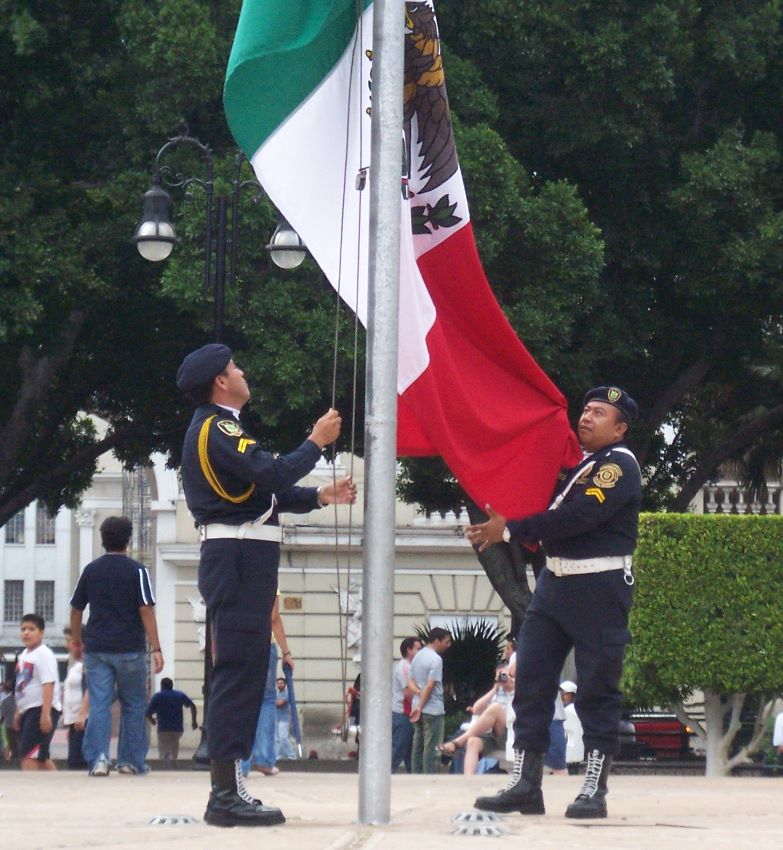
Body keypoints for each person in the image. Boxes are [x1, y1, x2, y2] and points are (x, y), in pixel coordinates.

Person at [177, 342, 356, 827]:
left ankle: (230, 788)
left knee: (243, 672)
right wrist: (315, 441)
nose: (242, 372)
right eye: (235, 367)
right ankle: (226, 794)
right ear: (219, 380)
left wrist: (319, 496)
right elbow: (270, 473)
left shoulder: (215, 429)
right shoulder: (219, 428)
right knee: (237, 674)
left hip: (240, 556)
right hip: (237, 558)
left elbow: (259, 494)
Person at [467, 385, 642, 819]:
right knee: (531, 684)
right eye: (585, 410)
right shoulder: (585, 465)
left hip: (598, 586)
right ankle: (526, 783)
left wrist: (511, 530)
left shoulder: (617, 467)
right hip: (555, 584)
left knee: (597, 690)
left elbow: (577, 517)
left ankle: (593, 789)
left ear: (620, 429)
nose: (586, 417)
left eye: (599, 413)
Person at [70, 515, 164, 777]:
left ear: (102, 540)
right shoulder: (138, 571)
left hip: (97, 647)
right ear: (128, 539)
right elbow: (145, 609)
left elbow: (77, 608)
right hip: (130, 647)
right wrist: (156, 648)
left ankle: (99, 759)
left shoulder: (91, 570)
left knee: (99, 703)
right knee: (133, 703)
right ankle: (130, 761)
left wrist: (77, 640)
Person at [242, 595, 294, 777]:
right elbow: (273, 617)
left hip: (238, 641)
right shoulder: (267, 573)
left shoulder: (234, 572)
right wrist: (286, 652)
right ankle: (264, 760)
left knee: (241, 700)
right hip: (263, 643)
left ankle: (241, 763)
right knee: (266, 700)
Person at [439, 663, 514, 775]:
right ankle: (469, 780)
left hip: (510, 734)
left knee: (496, 708)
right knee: (472, 742)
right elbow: (476, 709)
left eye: (505, 674)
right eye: (499, 675)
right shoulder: (497, 692)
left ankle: (458, 742)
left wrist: (511, 684)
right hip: (493, 736)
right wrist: (495, 688)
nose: (502, 678)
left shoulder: (519, 689)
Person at [13, 614, 62, 770]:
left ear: (41, 632)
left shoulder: (44, 654)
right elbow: (22, 686)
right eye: (23, 629)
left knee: (29, 756)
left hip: (40, 709)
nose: (26, 633)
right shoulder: (24, 655)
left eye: (31, 629)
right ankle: (62, 788)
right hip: (28, 710)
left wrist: (45, 713)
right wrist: (18, 711)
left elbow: (48, 683)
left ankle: (30, 789)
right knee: (41, 757)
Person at [409, 627, 452, 773]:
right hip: (432, 709)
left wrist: (418, 699)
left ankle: (416, 775)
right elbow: (431, 685)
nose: (448, 645)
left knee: (418, 745)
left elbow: (410, 681)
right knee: (432, 747)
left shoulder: (417, 656)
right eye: (446, 641)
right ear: (436, 641)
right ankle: (429, 777)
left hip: (416, 706)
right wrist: (421, 705)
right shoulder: (436, 659)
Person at [146, 678, 198, 760]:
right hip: (177, 729)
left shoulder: (158, 696)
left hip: (163, 728)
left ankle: (165, 766)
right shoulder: (179, 695)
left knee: (163, 751)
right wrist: (194, 721)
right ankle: (173, 763)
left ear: (161, 686)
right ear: (172, 685)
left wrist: (152, 721)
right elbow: (192, 706)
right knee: (174, 750)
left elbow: (148, 713)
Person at [391, 636, 421, 773]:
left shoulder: (406, 667)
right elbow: (408, 693)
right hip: (404, 713)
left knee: (408, 750)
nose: (420, 652)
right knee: (399, 748)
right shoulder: (405, 667)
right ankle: (385, 774)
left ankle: (413, 775)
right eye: (418, 649)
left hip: (405, 712)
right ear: (409, 650)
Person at [62, 634, 89, 769]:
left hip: (84, 718)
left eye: (69, 641)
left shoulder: (89, 663)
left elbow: (90, 689)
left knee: (78, 761)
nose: (67, 646)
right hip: (75, 719)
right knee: (74, 760)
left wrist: (82, 714)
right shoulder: (75, 664)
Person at [560, 680, 585, 764]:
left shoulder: (572, 710)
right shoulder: (560, 710)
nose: (562, 696)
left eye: (565, 693)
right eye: (561, 693)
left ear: (573, 695)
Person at [274, 677, 297, 760]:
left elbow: (280, 703)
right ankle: (278, 754)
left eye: (281, 683)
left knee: (283, 737)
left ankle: (291, 754)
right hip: (276, 718)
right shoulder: (276, 693)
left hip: (284, 719)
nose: (279, 685)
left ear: (285, 684)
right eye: (278, 683)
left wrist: (271, 701)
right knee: (276, 738)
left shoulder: (287, 693)